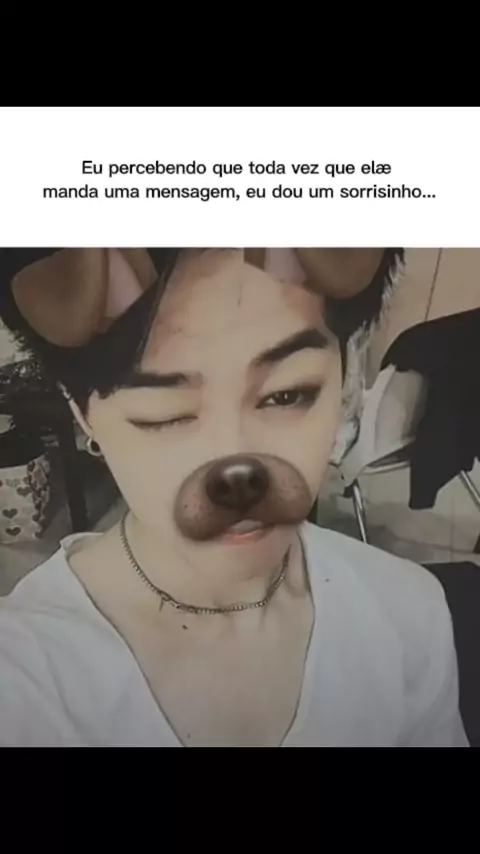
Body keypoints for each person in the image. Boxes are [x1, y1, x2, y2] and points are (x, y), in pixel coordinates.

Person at [0, 247, 468, 747]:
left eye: (287, 394)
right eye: (166, 415)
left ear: (345, 373)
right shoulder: (25, 682)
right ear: (82, 414)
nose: (237, 464)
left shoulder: (407, 613)